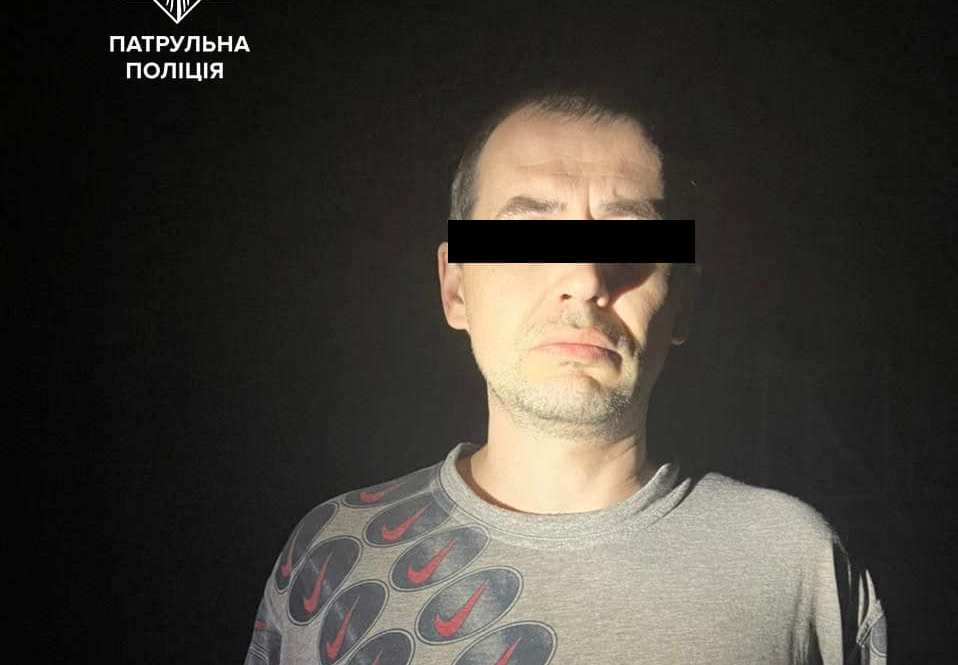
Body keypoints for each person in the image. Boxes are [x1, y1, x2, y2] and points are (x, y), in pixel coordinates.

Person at [243, 89, 887, 664]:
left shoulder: (795, 564)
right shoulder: (334, 555)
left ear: (682, 301)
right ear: (456, 287)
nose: (583, 277)